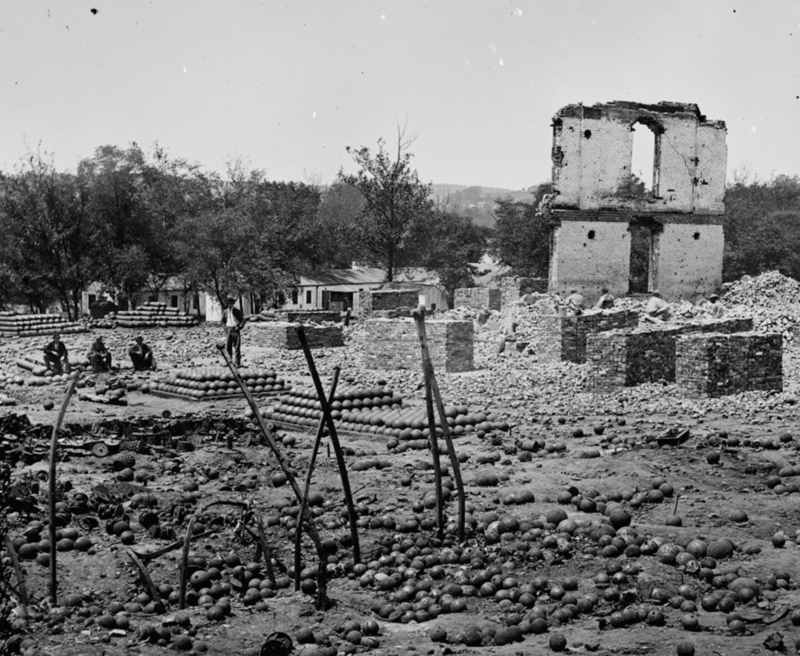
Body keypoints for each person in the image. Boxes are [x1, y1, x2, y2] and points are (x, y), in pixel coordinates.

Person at [222, 296, 245, 367]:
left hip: (235, 329)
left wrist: (239, 327)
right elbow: (222, 321)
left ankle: (237, 363)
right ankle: (229, 362)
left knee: (237, 347)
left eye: (231, 303)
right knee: (228, 347)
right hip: (228, 329)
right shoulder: (225, 311)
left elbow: (243, 320)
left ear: (233, 304)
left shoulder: (237, 311)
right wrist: (225, 328)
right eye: (228, 303)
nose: (230, 305)